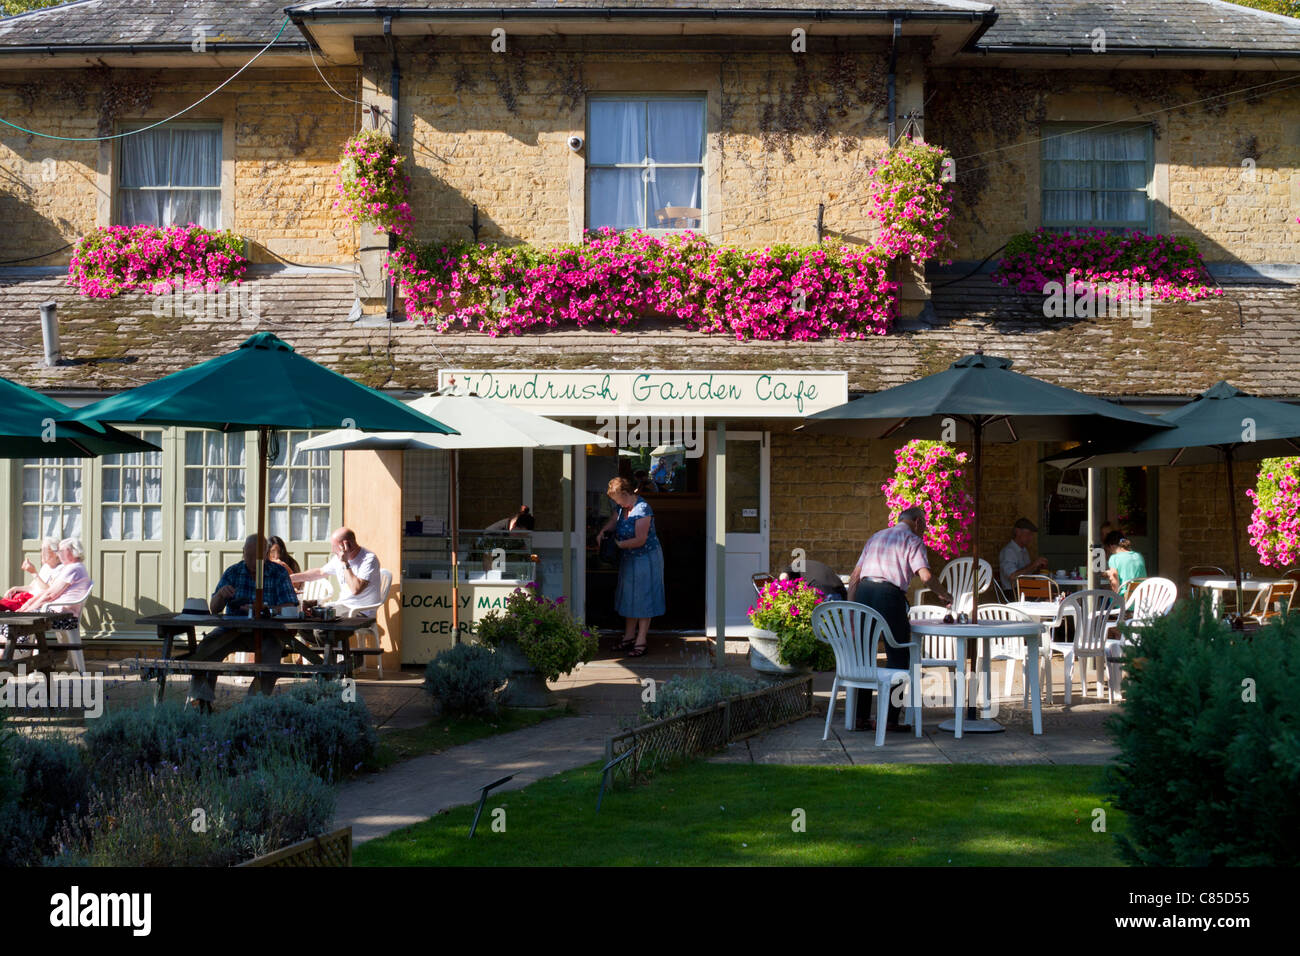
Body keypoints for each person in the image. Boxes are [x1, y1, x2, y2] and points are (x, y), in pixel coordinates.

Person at [845, 506, 953, 733]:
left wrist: (852, 609)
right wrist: (943, 594)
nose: (924, 529)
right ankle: (890, 719)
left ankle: (861, 718)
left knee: (865, 655)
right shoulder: (912, 541)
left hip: (864, 592)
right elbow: (926, 576)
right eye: (924, 524)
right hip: (888, 595)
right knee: (899, 655)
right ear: (916, 522)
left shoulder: (876, 537)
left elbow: (855, 576)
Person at [187, 534, 300, 708]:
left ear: (266, 554)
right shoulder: (233, 571)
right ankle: (201, 702)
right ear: (243, 553)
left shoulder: (278, 572)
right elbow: (214, 608)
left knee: (271, 662)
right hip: (232, 630)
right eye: (248, 556)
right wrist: (220, 595)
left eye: (257, 557)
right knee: (206, 650)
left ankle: (252, 706)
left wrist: (264, 608)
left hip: (268, 632)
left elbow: (290, 605)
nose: (252, 561)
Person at [596, 476, 665, 657]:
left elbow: (640, 540)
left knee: (643, 597)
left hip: (646, 558)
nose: (615, 502)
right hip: (629, 557)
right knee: (628, 596)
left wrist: (618, 546)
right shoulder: (621, 507)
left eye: (616, 498)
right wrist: (604, 531)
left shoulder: (642, 509)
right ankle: (628, 637)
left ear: (625, 493)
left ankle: (641, 640)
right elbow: (613, 520)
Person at [291, 527, 381, 618]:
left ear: (346, 544)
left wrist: (345, 563)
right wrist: (290, 578)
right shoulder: (338, 558)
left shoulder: (368, 559)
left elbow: (355, 589)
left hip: (360, 611)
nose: (332, 550)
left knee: (321, 623)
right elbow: (320, 572)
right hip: (342, 606)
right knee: (305, 616)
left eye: (334, 546)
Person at [18, 537, 92, 615]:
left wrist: (27, 611)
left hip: (61, 616)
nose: (59, 554)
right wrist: (27, 605)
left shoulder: (73, 568)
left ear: (73, 551)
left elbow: (50, 595)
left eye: (62, 551)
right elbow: (48, 591)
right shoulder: (74, 567)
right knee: (11, 619)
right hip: (57, 612)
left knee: (12, 623)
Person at [1, 536, 60, 610]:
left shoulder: (60, 569)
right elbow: (32, 587)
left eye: (45, 550)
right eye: (41, 550)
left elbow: (49, 592)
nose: (42, 553)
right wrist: (15, 588)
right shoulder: (46, 567)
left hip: (34, 605)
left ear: (55, 553)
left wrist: (34, 573)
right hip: (25, 600)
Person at [999, 517, 1049, 593]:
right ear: (1018, 532)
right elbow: (1012, 576)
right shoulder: (1009, 551)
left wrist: (1039, 569)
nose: (1031, 538)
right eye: (1029, 534)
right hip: (1013, 593)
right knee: (1047, 594)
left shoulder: (1023, 550)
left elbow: (1026, 573)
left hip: (1025, 590)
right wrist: (1034, 564)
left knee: (1048, 590)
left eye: (1032, 535)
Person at [778, 558, 847, 601]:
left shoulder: (797, 565)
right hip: (839, 595)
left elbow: (783, 577)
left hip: (822, 593)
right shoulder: (814, 565)